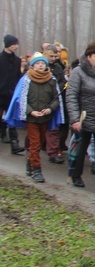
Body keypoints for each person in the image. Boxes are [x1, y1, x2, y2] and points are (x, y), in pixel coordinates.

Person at [5, 53, 64, 183]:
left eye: (43, 63)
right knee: (35, 144)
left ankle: (29, 161)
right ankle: (37, 170)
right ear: (32, 65)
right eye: (37, 63)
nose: (40, 65)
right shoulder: (26, 80)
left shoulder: (51, 80)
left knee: (40, 142)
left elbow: (56, 99)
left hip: (45, 118)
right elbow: (20, 99)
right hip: (31, 119)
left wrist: (50, 109)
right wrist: (31, 112)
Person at [66, 41, 95, 192]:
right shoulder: (78, 72)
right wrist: (74, 119)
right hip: (83, 118)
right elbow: (71, 96)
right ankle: (76, 174)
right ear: (89, 57)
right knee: (80, 149)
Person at [43, 44, 67, 164]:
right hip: (40, 100)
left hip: (55, 99)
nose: (53, 58)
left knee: (53, 128)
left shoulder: (58, 67)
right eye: (50, 56)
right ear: (44, 53)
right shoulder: (40, 65)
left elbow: (62, 80)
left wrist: (59, 88)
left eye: (54, 56)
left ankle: (53, 152)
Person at [1, 34, 25, 154]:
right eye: (14, 44)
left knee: (12, 118)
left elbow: (17, 76)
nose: (16, 46)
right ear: (8, 44)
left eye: (17, 44)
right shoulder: (0, 58)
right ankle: (2, 134)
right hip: (0, 93)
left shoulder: (17, 60)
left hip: (12, 94)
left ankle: (14, 144)